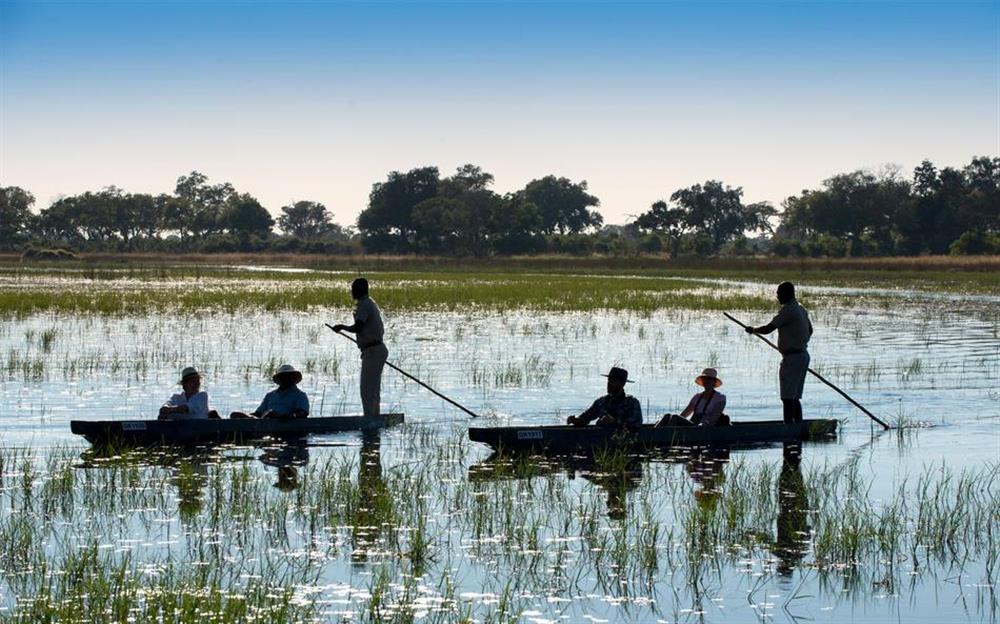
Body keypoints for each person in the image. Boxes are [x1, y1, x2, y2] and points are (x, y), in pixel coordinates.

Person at [745, 281, 813, 424]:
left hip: (793, 358)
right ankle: (797, 426)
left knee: (788, 398)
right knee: (794, 397)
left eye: (779, 294)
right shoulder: (801, 309)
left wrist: (753, 330)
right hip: (801, 356)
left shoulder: (788, 310)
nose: (777, 297)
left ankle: (789, 428)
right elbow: (810, 330)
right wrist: (798, 342)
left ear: (787, 294)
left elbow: (769, 328)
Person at [331, 278, 388, 417]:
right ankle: (374, 417)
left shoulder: (365, 304)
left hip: (373, 351)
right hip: (374, 350)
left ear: (360, 290)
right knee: (373, 390)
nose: (352, 292)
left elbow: (358, 327)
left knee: (367, 390)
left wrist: (342, 327)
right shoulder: (368, 303)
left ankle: (370, 419)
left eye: (354, 289)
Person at [566, 367, 642, 430]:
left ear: (622, 384)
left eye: (613, 381)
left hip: (622, 439)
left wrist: (614, 422)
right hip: (599, 437)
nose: (609, 383)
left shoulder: (632, 403)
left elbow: (636, 424)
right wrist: (576, 420)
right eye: (609, 380)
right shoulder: (601, 401)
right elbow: (586, 417)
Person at [230, 364, 309, 420]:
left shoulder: (300, 395)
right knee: (234, 414)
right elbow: (258, 413)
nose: (286, 379)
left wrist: (288, 416)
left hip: (283, 422)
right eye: (283, 377)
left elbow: (302, 413)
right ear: (279, 379)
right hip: (263, 420)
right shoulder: (270, 395)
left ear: (294, 378)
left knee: (271, 413)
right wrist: (246, 416)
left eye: (289, 376)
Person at [657, 367, 728, 427]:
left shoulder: (720, 398)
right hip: (693, 425)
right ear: (702, 381)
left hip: (702, 428)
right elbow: (684, 415)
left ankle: (666, 436)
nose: (707, 381)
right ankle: (654, 432)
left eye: (709, 379)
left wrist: (704, 425)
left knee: (675, 417)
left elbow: (714, 418)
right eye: (704, 379)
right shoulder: (697, 397)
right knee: (668, 416)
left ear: (714, 382)